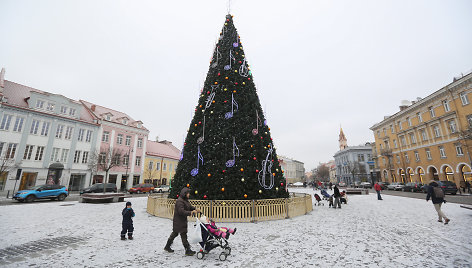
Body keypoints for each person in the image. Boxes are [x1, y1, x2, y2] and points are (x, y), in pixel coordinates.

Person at [164, 187, 201, 256]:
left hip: (181, 221)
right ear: (184, 194)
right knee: (183, 234)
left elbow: (189, 207)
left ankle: (167, 246)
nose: (189, 194)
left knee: (175, 233)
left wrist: (195, 209)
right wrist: (191, 212)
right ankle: (187, 250)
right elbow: (181, 212)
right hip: (179, 221)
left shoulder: (185, 200)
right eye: (188, 193)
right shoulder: (179, 201)